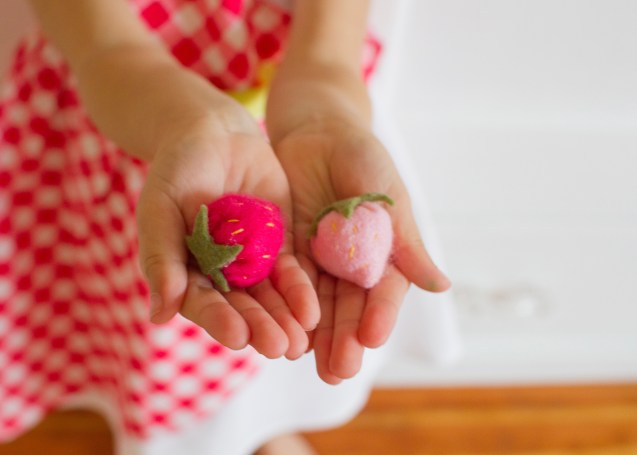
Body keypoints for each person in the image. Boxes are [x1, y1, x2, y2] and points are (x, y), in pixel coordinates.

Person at [0, 0, 451, 453]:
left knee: (286, 327)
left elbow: (327, 54)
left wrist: (325, 105)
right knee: (170, 340)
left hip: (302, 100)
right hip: (128, 104)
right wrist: (184, 119)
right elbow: (106, 47)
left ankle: (261, 428)